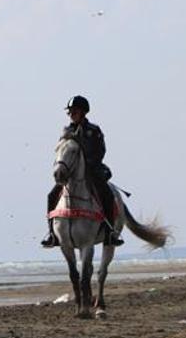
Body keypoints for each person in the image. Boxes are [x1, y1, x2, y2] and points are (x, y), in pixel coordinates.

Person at [41, 95, 124, 248]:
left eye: (74, 111)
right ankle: (52, 234)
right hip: (71, 173)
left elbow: (101, 150)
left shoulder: (93, 130)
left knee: (107, 193)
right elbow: (61, 151)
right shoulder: (66, 131)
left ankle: (110, 232)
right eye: (70, 112)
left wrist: (88, 163)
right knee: (52, 195)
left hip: (92, 171)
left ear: (83, 112)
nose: (71, 114)